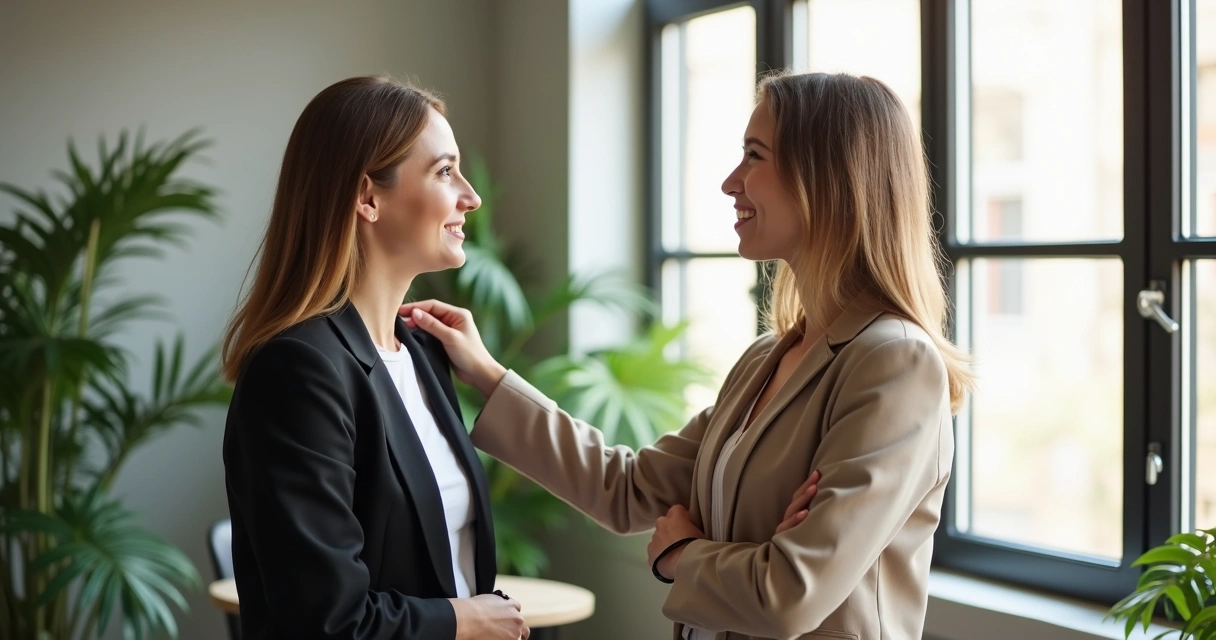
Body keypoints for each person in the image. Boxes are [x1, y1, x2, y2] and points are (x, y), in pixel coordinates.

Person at [402, 71, 974, 640]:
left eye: (754, 156)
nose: (731, 182)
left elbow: (790, 594)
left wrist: (682, 554)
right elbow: (626, 489)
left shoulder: (894, 362)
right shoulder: (766, 360)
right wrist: (488, 374)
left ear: (826, 178)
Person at [220, 76, 528, 640]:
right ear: (367, 197)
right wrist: (464, 620)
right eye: (444, 171)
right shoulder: (297, 372)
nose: (471, 196)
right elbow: (325, 622)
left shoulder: (425, 354)